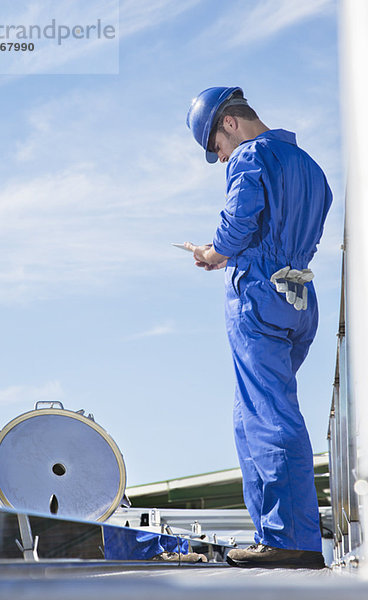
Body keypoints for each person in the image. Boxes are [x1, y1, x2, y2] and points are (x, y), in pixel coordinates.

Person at [185, 87, 332, 569]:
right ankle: (284, 532)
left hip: (260, 296)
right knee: (259, 413)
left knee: (265, 416)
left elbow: (237, 223)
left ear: (228, 123)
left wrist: (212, 253)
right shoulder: (310, 165)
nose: (220, 157)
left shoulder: (250, 155)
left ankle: (288, 539)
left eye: (216, 148)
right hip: (299, 296)